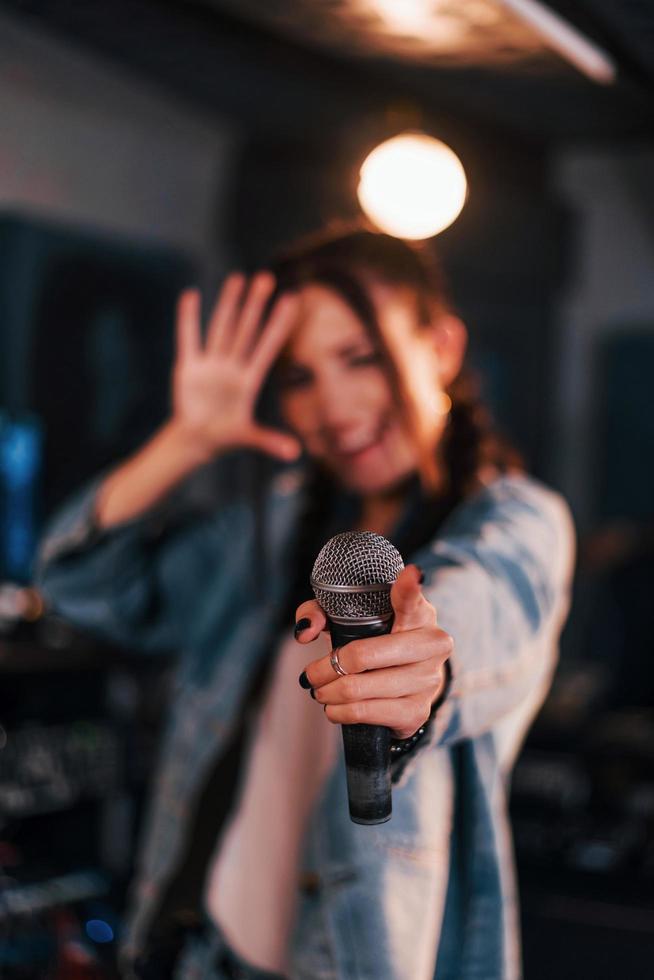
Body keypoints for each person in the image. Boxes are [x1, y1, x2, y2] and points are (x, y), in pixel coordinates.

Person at [36, 226, 575, 980]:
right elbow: (79, 585)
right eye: (298, 377)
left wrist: (420, 664)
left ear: (443, 350)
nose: (334, 404)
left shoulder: (516, 520)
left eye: (361, 358)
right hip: (198, 949)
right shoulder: (280, 524)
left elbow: (481, 610)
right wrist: (186, 441)